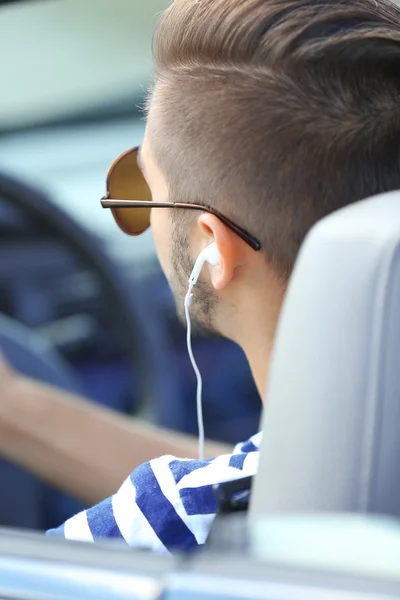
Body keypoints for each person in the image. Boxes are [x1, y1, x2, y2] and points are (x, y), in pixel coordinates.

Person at [2, 0, 400, 551]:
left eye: (143, 190)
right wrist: (15, 406)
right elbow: (263, 474)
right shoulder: (313, 487)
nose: (138, 215)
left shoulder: (169, 527)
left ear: (213, 249)